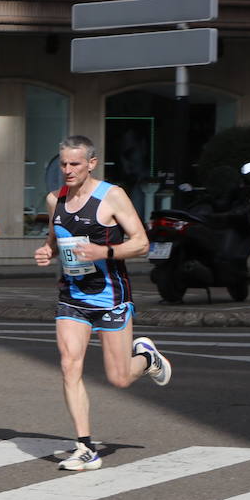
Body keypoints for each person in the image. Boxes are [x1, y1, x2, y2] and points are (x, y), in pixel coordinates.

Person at [34, 136, 171, 471]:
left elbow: (141, 244)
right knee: (69, 365)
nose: (67, 170)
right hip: (72, 297)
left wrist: (103, 252)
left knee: (120, 378)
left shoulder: (111, 196)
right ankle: (84, 446)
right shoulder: (56, 200)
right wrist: (46, 251)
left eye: (75, 164)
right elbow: (55, 241)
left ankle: (146, 358)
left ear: (91, 163)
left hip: (110, 296)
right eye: (63, 164)